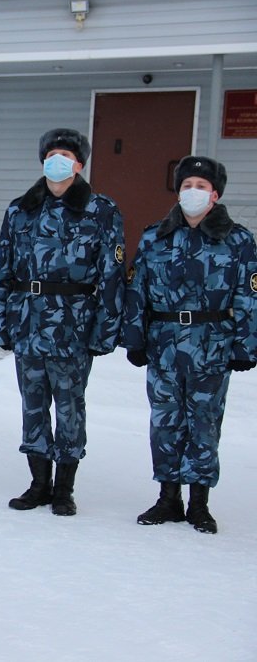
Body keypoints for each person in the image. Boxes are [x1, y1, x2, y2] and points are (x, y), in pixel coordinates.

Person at [0, 128, 126, 516]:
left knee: (69, 406)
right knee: (33, 406)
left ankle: (64, 488)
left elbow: (112, 276)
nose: (57, 160)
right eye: (52, 153)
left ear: (79, 163)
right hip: (28, 322)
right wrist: (2, 323)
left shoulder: (101, 210)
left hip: (74, 326)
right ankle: (38, 483)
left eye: (66, 154)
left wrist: (105, 330)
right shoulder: (20, 210)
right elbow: (2, 271)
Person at [122, 156, 257, 535]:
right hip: (163, 343)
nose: (192, 192)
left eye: (200, 186)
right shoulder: (155, 236)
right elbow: (137, 291)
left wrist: (246, 345)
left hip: (211, 344)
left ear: (215, 194)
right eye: (186, 186)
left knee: (204, 423)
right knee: (164, 422)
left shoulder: (239, 240)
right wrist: (134, 338)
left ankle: (199, 503)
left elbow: (249, 296)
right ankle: (168, 497)